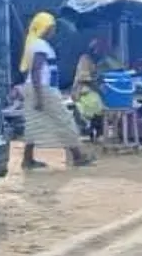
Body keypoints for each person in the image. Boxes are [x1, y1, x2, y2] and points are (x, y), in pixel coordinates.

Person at [19, 11, 92, 171]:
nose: (53, 31)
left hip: (35, 88)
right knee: (64, 120)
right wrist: (39, 96)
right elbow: (36, 71)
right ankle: (78, 155)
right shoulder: (40, 45)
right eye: (51, 28)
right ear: (44, 28)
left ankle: (27, 159)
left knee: (34, 124)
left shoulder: (34, 44)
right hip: (44, 89)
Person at [70, 37, 118, 138]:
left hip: (95, 89)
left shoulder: (100, 61)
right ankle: (92, 127)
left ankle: (98, 129)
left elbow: (116, 68)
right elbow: (85, 79)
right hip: (82, 90)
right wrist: (99, 89)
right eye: (100, 50)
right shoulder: (85, 59)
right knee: (97, 104)